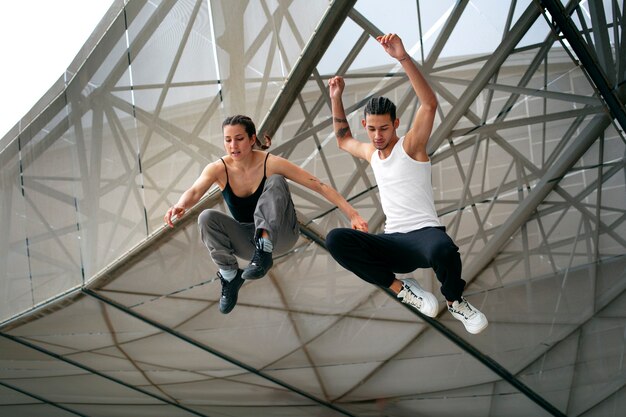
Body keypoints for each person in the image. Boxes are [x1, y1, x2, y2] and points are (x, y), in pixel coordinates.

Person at [326, 33, 488, 334]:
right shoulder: (371, 153)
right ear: (366, 126)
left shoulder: (411, 146)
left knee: (444, 250)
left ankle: (455, 301)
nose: (377, 136)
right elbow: (343, 140)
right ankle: (402, 289)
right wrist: (336, 100)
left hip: (424, 237)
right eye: (372, 129)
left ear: (396, 124)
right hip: (394, 241)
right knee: (336, 240)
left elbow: (428, 104)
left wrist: (402, 58)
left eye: (384, 128)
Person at [164, 115, 368, 314]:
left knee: (276, 181)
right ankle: (230, 275)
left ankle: (264, 246)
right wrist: (181, 205)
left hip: (282, 234)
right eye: (228, 140)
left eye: (239, 139)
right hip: (248, 243)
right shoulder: (218, 169)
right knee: (206, 218)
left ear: (252, 139)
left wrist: (353, 214)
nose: (233, 145)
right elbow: (194, 191)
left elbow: (318, 185)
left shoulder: (271, 163)